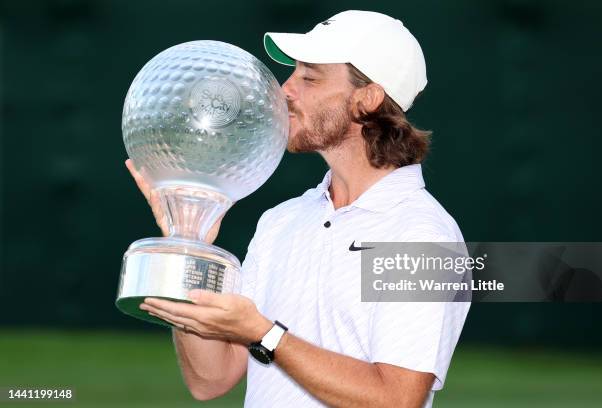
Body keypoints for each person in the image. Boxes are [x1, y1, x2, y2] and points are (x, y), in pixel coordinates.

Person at [130, 10, 470, 408]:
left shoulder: (422, 234)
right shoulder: (282, 220)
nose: (285, 90)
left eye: (309, 77)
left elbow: (395, 399)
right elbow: (211, 380)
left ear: (368, 99)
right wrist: (189, 245)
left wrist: (265, 334)